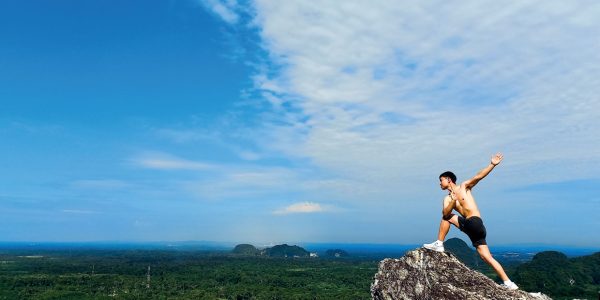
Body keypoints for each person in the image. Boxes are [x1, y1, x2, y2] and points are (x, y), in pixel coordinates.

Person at [422, 153, 519, 290]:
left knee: (446, 218)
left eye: (441, 180)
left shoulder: (464, 187)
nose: (439, 183)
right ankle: (509, 283)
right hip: (477, 228)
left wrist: (492, 165)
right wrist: (453, 201)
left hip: (473, 222)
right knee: (486, 257)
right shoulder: (447, 199)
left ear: (449, 180)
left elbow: (478, 177)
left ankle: (439, 243)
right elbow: (446, 212)